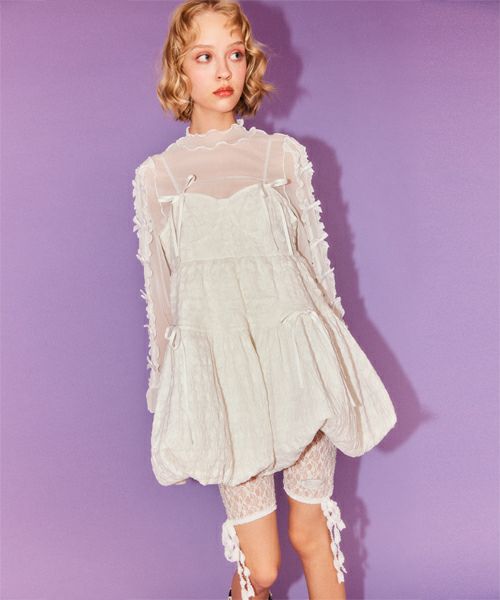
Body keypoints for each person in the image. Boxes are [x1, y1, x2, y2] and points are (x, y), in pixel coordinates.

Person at [131, 1, 398, 598]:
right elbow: (163, 301)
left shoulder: (282, 158)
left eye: (235, 54)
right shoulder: (159, 178)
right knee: (266, 567)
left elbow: (318, 274)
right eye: (205, 56)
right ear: (181, 69)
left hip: (300, 367)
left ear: (249, 63)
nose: (223, 69)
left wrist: (338, 367)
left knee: (311, 534)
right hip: (228, 385)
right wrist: (168, 391)